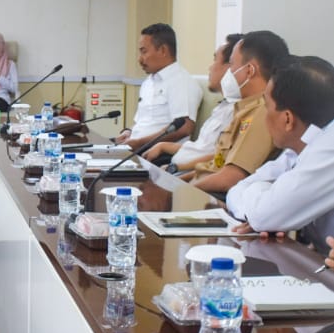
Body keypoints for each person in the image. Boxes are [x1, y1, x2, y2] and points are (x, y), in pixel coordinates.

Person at [228, 56, 334, 253]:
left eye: (267, 107)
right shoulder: (303, 144)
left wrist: (266, 212)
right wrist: (266, 212)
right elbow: (236, 191)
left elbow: (262, 216)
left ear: (287, 119)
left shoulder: (329, 150)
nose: (264, 116)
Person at [189, 30, 289, 196]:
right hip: (202, 187)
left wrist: (180, 191)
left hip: (214, 197)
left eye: (232, 64)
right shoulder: (244, 108)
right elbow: (215, 166)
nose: (229, 72)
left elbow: (229, 179)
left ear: (249, 70)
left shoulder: (262, 113)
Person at [142, 33, 243, 173]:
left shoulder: (238, 112)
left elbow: (219, 158)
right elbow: (199, 148)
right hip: (178, 168)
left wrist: (174, 169)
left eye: (215, 60)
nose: (210, 67)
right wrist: (163, 145)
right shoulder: (223, 106)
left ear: (229, 68)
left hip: (188, 174)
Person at [116, 23, 202, 150]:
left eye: (144, 52)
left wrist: (139, 143)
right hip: (136, 148)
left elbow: (184, 128)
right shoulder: (148, 82)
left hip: (158, 153)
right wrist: (129, 132)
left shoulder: (181, 82)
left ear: (163, 50)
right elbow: (143, 123)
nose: (140, 59)